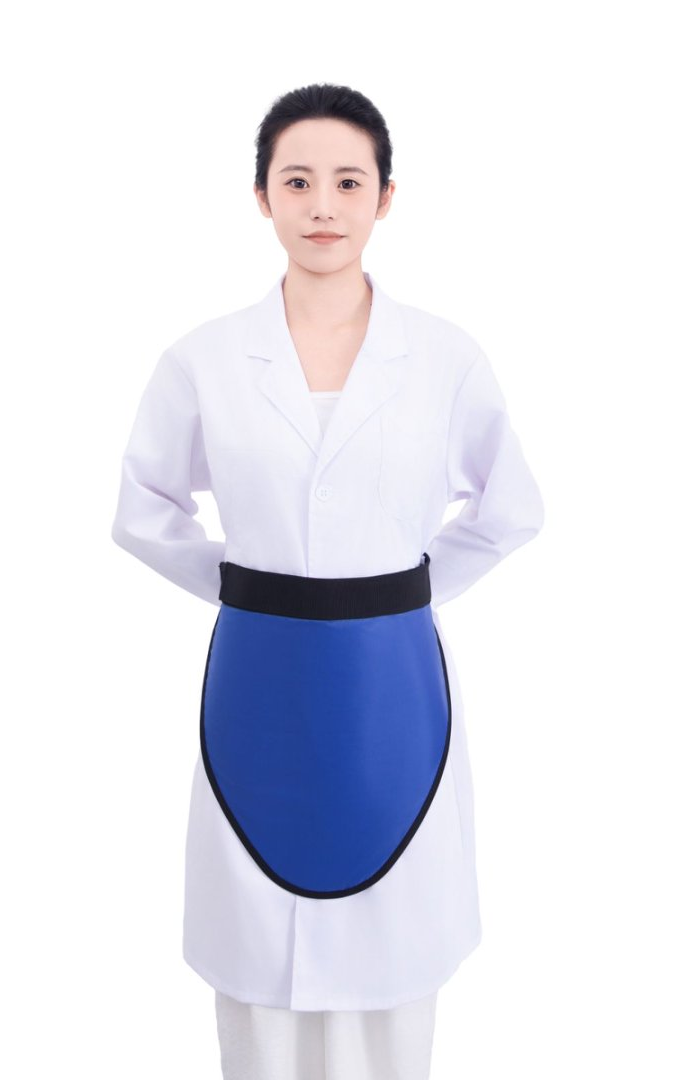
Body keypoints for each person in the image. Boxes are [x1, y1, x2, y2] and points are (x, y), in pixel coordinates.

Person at [111, 82, 545, 1080]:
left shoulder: (443, 357)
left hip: (392, 682)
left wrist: (400, 591)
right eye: (297, 180)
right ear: (261, 195)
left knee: (393, 942)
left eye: (348, 182)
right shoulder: (205, 359)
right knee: (258, 947)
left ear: (385, 197)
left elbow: (512, 507)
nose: (322, 205)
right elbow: (142, 508)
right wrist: (249, 586)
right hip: (257, 677)